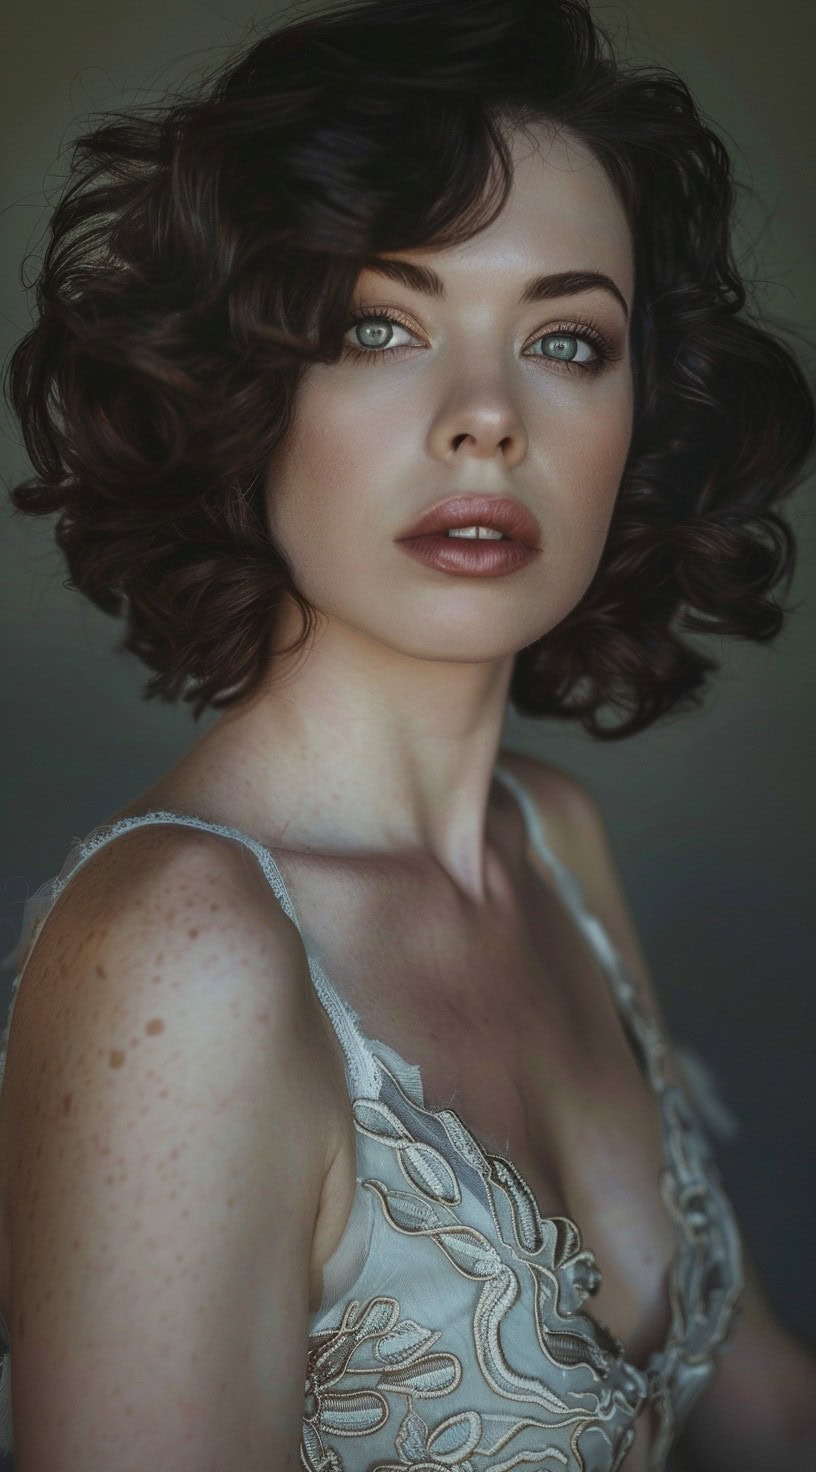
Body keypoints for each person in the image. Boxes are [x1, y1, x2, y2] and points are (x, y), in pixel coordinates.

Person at [0, 0, 814, 1466]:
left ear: (640, 415)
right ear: (246, 391)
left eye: (568, 340)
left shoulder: (547, 837)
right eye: (380, 324)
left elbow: (754, 1402)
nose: (487, 419)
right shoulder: (185, 958)